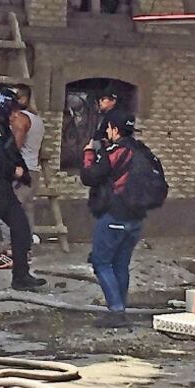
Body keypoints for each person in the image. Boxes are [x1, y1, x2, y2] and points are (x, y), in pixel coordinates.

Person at [0, 88, 46, 291]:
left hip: (3, 189)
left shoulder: (4, 129)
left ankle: (21, 276)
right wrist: (15, 170)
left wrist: (25, 175)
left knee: (21, 228)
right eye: (12, 111)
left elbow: (12, 153)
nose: (15, 115)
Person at [81, 109, 146, 329]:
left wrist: (89, 154)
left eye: (108, 128)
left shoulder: (114, 153)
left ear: (114, 130)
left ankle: (116, 311)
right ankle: (121, 308)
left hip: (113, 216)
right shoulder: (141, 152)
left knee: (101, 263)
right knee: (121, 264)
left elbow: (89, 177)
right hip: (136, 219)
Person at [0, 83, 45, 271]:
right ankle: (25, 250)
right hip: (34, 170)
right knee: (25, 213)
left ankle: (12, 252)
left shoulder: (21, 119)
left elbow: (14, 147)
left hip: (21, 171)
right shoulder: (37, 119)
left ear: (23, 99)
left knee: (8, 212)